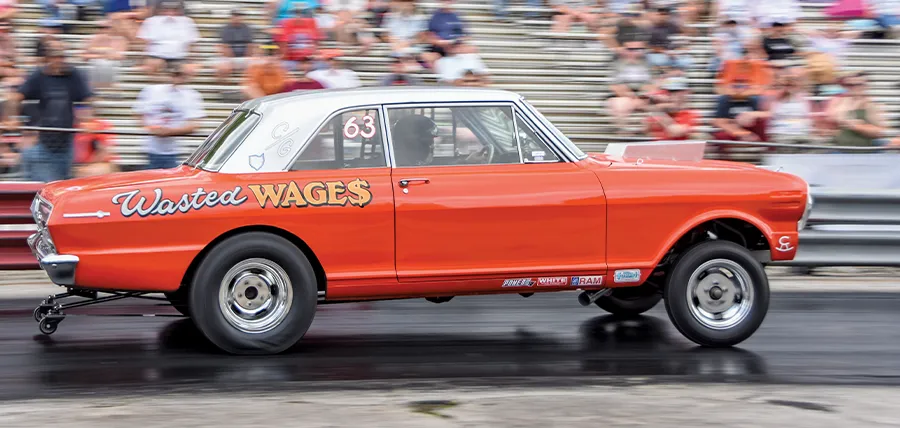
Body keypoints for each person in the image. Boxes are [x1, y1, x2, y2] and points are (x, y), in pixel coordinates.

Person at [2, 46, 93, 182]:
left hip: (67, 140)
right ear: (47, 60)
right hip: (45, 140)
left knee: (62, 181)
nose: (59, 61)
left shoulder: (73, 75)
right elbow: (14, 98)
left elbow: (87, 99)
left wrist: (87, 119)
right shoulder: (39, 76)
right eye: (55, 58)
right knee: (48, 181)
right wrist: (11, 118)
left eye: (61, 57)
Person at [133, 64, 205, 169]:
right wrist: (152, 129)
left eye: (179, 75)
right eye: (173, 74)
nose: (175, 78)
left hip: (176, 151)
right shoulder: (150, 91)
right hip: (151, 150)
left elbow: (194, 125)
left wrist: (169, 132)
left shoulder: (191, 95)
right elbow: (138, 114)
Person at [137, 0, 199, 76]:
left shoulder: (187, 22)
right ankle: (162, 82)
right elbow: (145, 43)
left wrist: (192, 61)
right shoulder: (150, 21)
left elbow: (191, 45)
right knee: (153, 65)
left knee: (187, 69)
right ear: (159, 10)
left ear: (180, 10)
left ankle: (173, 82)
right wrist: (143, 60)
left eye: (174, 9)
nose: (170, 12)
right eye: (166, 9)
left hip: (180, 57)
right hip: (155, 57)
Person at [826, 72, 888, 147]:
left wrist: (857, 126)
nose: (854, 87)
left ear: (865, 86)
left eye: (858, 84)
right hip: (840, 148)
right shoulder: (839, 101)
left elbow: (879, 132)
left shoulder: (871, 105)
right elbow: (830, 121)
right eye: (850, 85)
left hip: (863, 150)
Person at [72, 104, 118, 177]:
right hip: (76, 165)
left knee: (95, 170)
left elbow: (104, 151)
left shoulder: (100, 125)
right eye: (78, 108)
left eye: (85, 108)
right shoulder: (72, 127)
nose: (82, 112)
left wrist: (87, 166)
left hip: (98, 163)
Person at [82, 19, 128, 93]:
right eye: (100, 27)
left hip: (113, 65)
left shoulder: (120, 40)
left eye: (107, 27)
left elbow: (120, 56)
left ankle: (107, 88)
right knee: (100, 63)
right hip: (96, 64)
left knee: (106, 64)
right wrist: (104, 53)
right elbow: (84, 56)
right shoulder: (92, 39)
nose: (103, 30)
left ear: (112, 28)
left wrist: (96, 51)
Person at [214, 10, 256, 82]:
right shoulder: (225, 29)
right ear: (231, 17)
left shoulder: (247, 28)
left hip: (244, 57)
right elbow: (225, 46)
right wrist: (230, 60)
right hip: (228, 57)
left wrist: (246, 59)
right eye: (235, 16)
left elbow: (250, 45)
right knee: (222, 68)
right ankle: (223, 86)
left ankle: (249, 86)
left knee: (255, 67)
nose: (237, 18)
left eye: (239, 16)